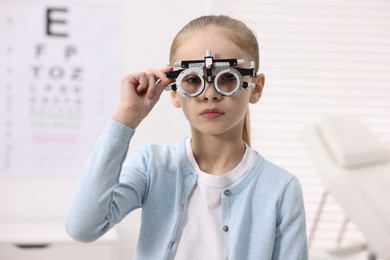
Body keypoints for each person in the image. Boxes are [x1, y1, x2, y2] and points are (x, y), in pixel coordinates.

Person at [65, 15, 308, 260]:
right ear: (173, 92)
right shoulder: (152, 165)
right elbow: (83, 227)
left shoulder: (280, 188)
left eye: (227, 78)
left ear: (255, 87)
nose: (210, 94)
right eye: (193, 80)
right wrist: (126, 119)